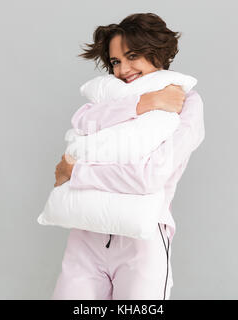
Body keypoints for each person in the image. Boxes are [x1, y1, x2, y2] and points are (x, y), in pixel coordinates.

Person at [51, 13, 205, 300]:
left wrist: (76, 172)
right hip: (87, 234)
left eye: (132, 56)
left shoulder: (187, 103)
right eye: (115, 61)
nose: (123, 69)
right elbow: (83, 121)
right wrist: (147, 102)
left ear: (156, 52)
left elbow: (149, 176)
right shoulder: (113, 96)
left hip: (141, 243)